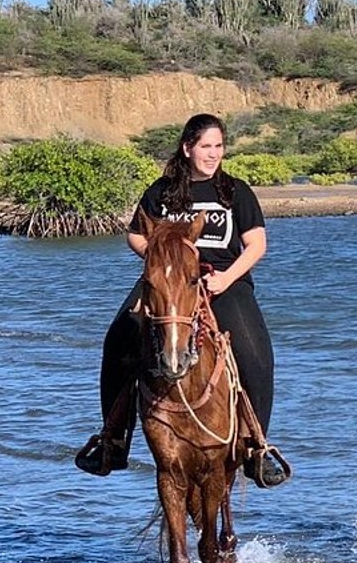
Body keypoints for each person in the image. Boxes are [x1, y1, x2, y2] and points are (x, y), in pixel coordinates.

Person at [75, 112, 287, 488]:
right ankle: (113, 439)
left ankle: (257, 447)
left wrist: (225, 278)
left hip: (223, 282)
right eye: (206, 146)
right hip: (169, 284)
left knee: (256, 353)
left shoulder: (235, 191)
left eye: (219, 146)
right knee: (118, 339)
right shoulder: (162, 191)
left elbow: (256, 244)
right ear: (188, 148)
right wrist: (163, 265)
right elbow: (135, 235)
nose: (213, 153)